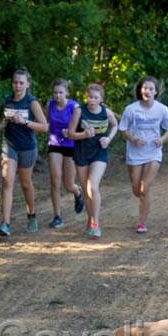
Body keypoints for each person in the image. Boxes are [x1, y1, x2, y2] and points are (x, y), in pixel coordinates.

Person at [0, 67, 48, 237]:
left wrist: (25, 121)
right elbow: (6, 120)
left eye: (21, 83)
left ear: (27, 84)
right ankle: (5, 223)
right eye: (15, 82)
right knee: (7, 181)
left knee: (25, 184)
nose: (17, 86)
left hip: (27, 148)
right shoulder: (8, 101)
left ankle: (31, 214)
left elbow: (44, 127)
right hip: (9, 145)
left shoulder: (32, 102)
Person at [119, 76, 168, 234]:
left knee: (145, 186)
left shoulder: (162, 109)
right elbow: (123, 129)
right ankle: (141, 200)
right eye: (145, 88)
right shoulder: (131, 109)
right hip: (135, 153)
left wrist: (162, 139)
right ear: (140, 90)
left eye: (151, 89)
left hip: (153, 152)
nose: (147, 91)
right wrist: (133, 139)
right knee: (137, 190)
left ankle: (142, 222)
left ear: (156, 92)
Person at [65, 82, 118, 238]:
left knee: (92, 187)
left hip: (99, 153)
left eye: (95, 97)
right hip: (81, 153)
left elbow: (115, 125)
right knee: (86, 191)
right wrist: (83, 135)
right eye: (89, 97)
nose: (92, 100)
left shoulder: (106, 112)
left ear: (101, 99)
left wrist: (108, 138)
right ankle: (90, 219)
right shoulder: (79, 111)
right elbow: (70, 133)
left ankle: (96, 223)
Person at [44, 78, 85, 229]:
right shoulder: (49, 104)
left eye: (61, 92)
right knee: (55, 180)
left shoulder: (74, 107)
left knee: (68, 184)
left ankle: (78, 192)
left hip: (70, 144)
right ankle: (57, 216)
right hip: (54, 143)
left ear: (67, 92)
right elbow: (45, 123)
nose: (57, 96)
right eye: (55, 92)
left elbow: (77, 128)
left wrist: (71, 132)